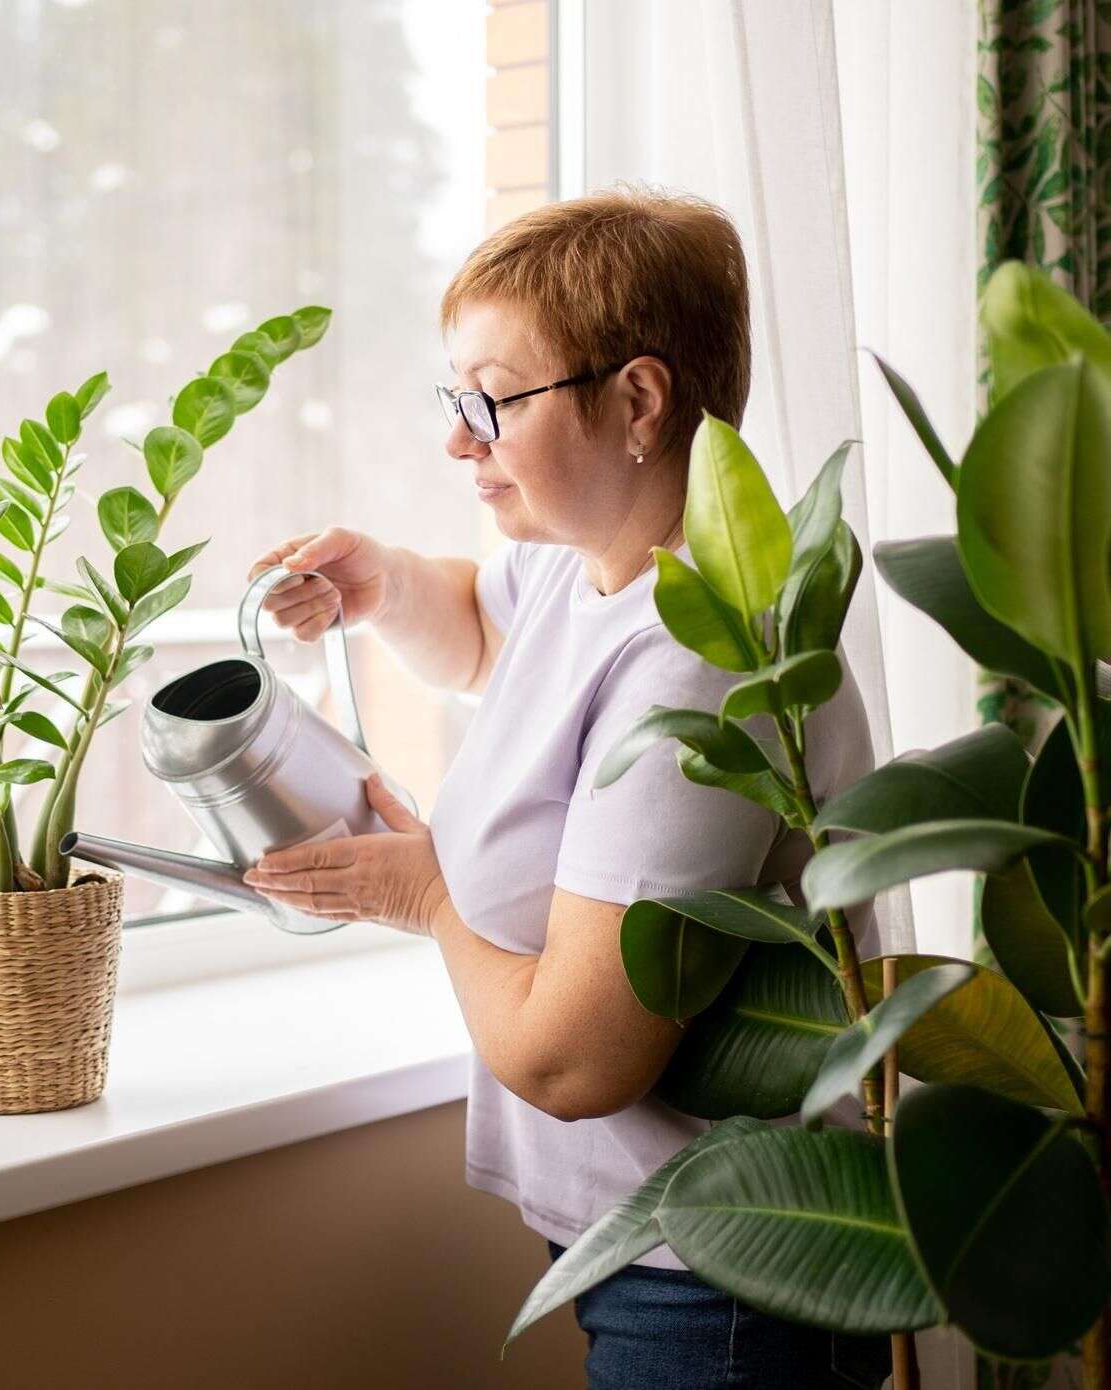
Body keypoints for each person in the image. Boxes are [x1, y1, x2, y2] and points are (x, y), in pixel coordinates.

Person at [240, 188, 891, 1390]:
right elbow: (484, 633)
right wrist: (380, 585)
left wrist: (430, 898)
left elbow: (574, 1063)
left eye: (492, 398)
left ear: (637, 402)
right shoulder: (584, 567)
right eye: (457, 397)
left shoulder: (704, 655)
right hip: (652, 1253)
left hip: (725, 1283)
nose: (458, 438)